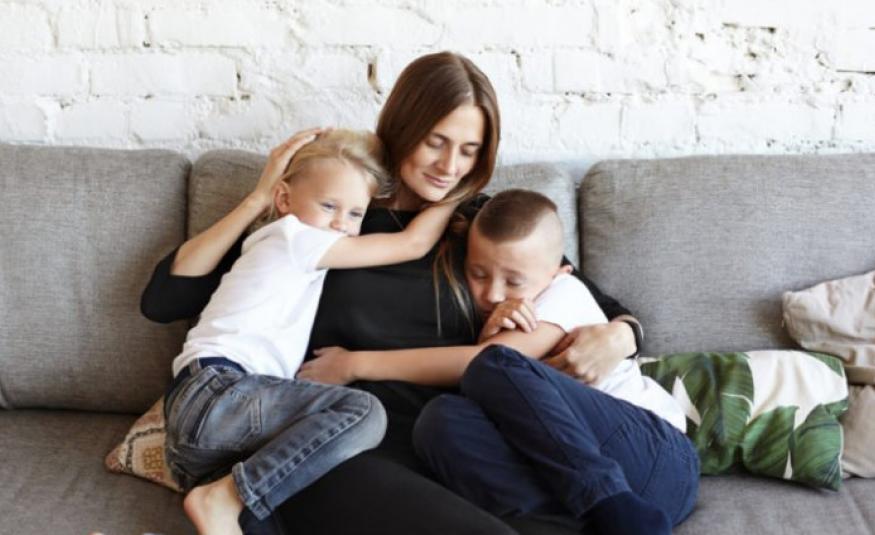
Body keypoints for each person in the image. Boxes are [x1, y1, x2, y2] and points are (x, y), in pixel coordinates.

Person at [142, 51, 643, 535]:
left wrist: (622, 336)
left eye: (469, 151)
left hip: (450, 443)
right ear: (403, 128)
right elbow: (166, 299)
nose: (449, 165)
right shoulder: (337, 213)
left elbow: (586, 297)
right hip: (337, 448)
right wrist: (257, 199)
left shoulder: (477, 223)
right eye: (435, 142)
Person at [299, 190, 698, 535]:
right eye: (477, 274)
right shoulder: (501, 325)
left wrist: (353, 364)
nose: (491, 294)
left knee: (491, 366)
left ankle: (618, 510)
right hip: (581, 473)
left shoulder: (566, 292)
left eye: (513, 281)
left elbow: (484, 363)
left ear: (559, 271)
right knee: (441, 420)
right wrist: (489, 336)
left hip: (658, 458)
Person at [162, 129, 460, 535]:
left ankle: (218, 499)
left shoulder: (294, 246)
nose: (341, 223)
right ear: (284, 200)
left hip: (209, 437)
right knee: (363, 412)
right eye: (329, 205)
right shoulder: (294, 237)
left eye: (355, 214)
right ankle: (224, 496)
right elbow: (411, 244)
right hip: (217, 394)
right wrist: (458, 193)